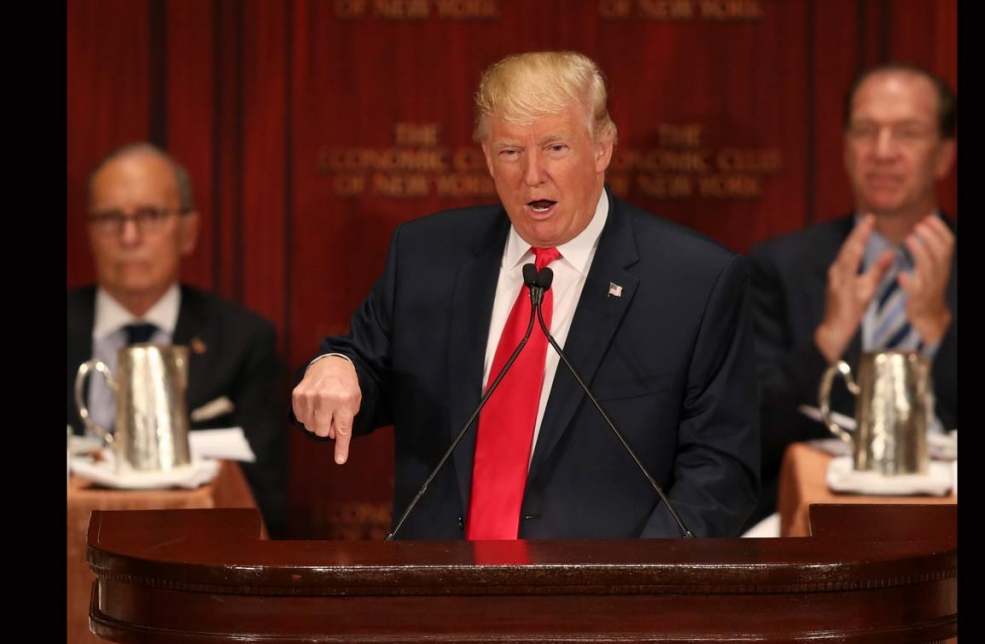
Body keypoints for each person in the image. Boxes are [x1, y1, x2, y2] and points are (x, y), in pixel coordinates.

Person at [292, 51, 759, 541]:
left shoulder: (696, 281)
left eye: (555, 147)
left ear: (602, 148)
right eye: (511, 151)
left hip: (605, 604)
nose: (532, 174)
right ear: (488, 159)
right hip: (436, 596)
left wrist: (632, 586)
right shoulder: (426, 256)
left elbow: (722, 473)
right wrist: (335, 368)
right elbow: (363, 366)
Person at [744, 62, 958, 530]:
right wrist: (827, 339)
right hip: (819, 520)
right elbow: (745, 436)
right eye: (865, 131)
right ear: (845, 148)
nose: (883, 152)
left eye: (908, 133)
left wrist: (939, 331)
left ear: (944, 155)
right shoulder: (780, 267)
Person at [66, 142, 290, 539]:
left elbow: (263, 499)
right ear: (89, 233)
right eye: (110, 218)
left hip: (191, 553)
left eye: (150, 216)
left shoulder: (242, 340)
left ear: (188, 231)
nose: (129, 236)